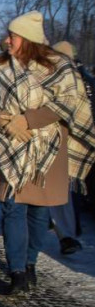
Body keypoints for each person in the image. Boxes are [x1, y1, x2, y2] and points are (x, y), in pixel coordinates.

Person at [0, 12, 95, 294]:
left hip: (48, 150)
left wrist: (30, 120)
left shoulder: (60, 66)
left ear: (28, 39)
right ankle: (17, 271)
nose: (7, 40)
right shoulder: (0, 66)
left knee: (39, 212)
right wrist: (2, 119)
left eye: (13, 35)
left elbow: (70, 102)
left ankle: (30, 262)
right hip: (9, 145)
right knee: (12, 208)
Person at [49, 40, 85, 255]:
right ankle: (67, 234)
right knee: (63, 192)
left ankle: (68, 233)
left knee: (65, 192)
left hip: (70, 140)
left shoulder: (76, 81)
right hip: (61, 140)